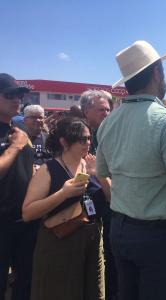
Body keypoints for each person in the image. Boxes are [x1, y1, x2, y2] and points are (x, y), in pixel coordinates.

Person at [96, 40, 166, 300]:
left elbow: (102, 169)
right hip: (160, 237)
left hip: (121, 230)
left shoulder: (108, 122)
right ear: (157, 74)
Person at [22, 117, 107, 300]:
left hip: (92, 240)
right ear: (64, 142)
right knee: (60, 292)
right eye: (82, 139)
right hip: (60, 242)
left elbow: (111, 197)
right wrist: (63, 193)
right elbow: (28, 213)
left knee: (93, 290)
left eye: (89, 138)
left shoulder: (90, 163)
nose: (88, 143)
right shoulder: (49, 169)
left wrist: (100, 174)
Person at [0, 73, 35, 300]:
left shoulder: (19, 132)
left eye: (19, 96)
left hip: (24, 220)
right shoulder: (18, 138)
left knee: (25, 281)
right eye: (9, 95)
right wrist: (15, 148)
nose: (16, 100)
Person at [80, 89, 116, 300]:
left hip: (110, 202)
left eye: (108, 109)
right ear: (86, 111)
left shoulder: (112, 133)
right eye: (101, 109)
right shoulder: (75, 133)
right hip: (83, 207)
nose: (106, 113)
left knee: (111, 255)